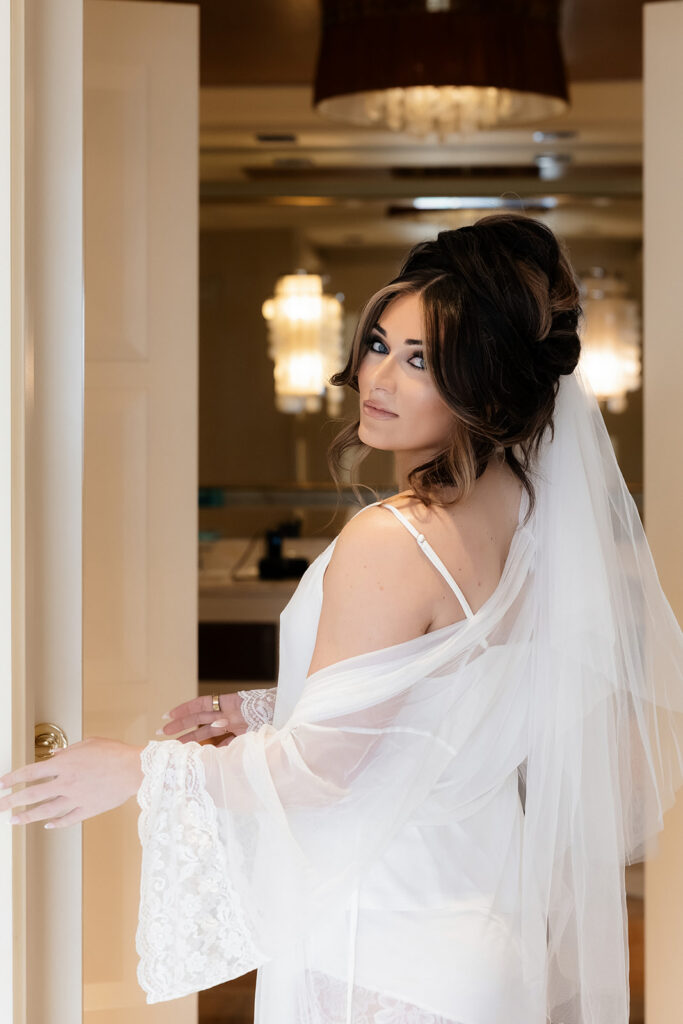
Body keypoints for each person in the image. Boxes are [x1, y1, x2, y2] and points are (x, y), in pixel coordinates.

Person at [1, 213, 682, 1024]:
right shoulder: (525, 517)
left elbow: (323, 773)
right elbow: (452, 701)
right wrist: (262, 706)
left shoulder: (394, 537)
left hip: (382, 945)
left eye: (422, 361)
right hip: (487, 940)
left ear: (488, 383)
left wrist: (135, 769)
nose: (379, 380)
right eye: (379, 346)